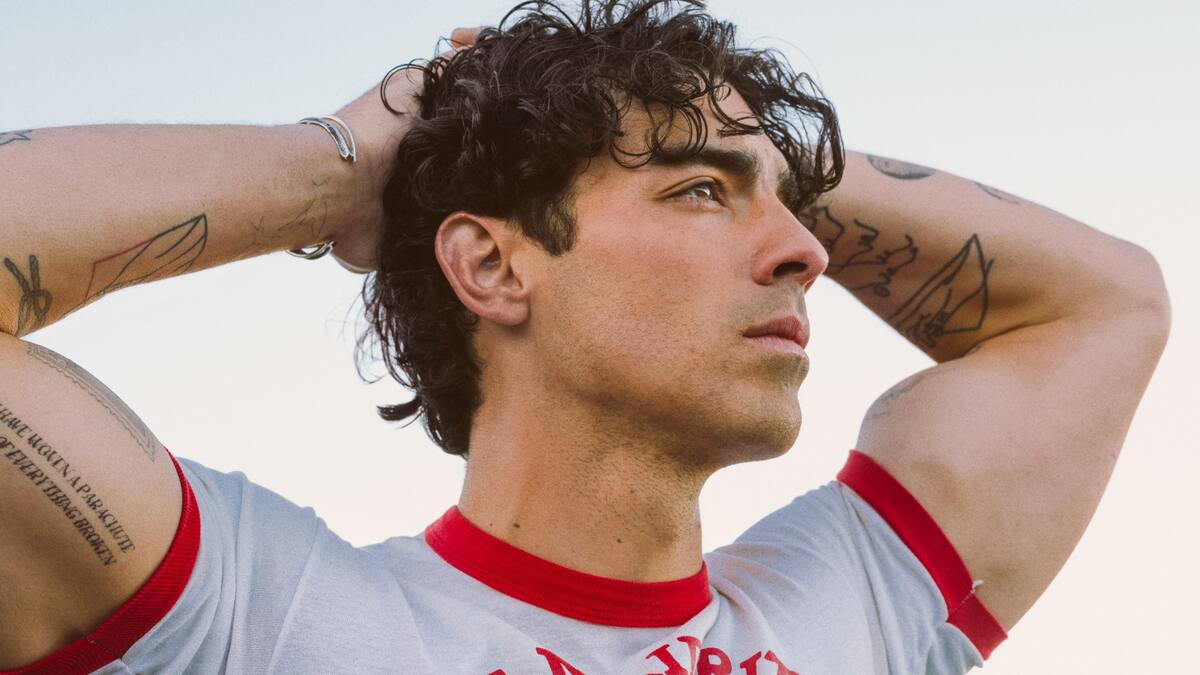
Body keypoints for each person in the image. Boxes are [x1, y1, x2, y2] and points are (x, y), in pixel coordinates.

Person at [0, 1, 1171, 673]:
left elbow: (1108, 302)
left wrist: (750, 141)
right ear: (492, 265)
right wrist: (342, 163)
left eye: (795, 205)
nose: (804, 252)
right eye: (699, 193)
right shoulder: (260, 616)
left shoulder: (850, 612)